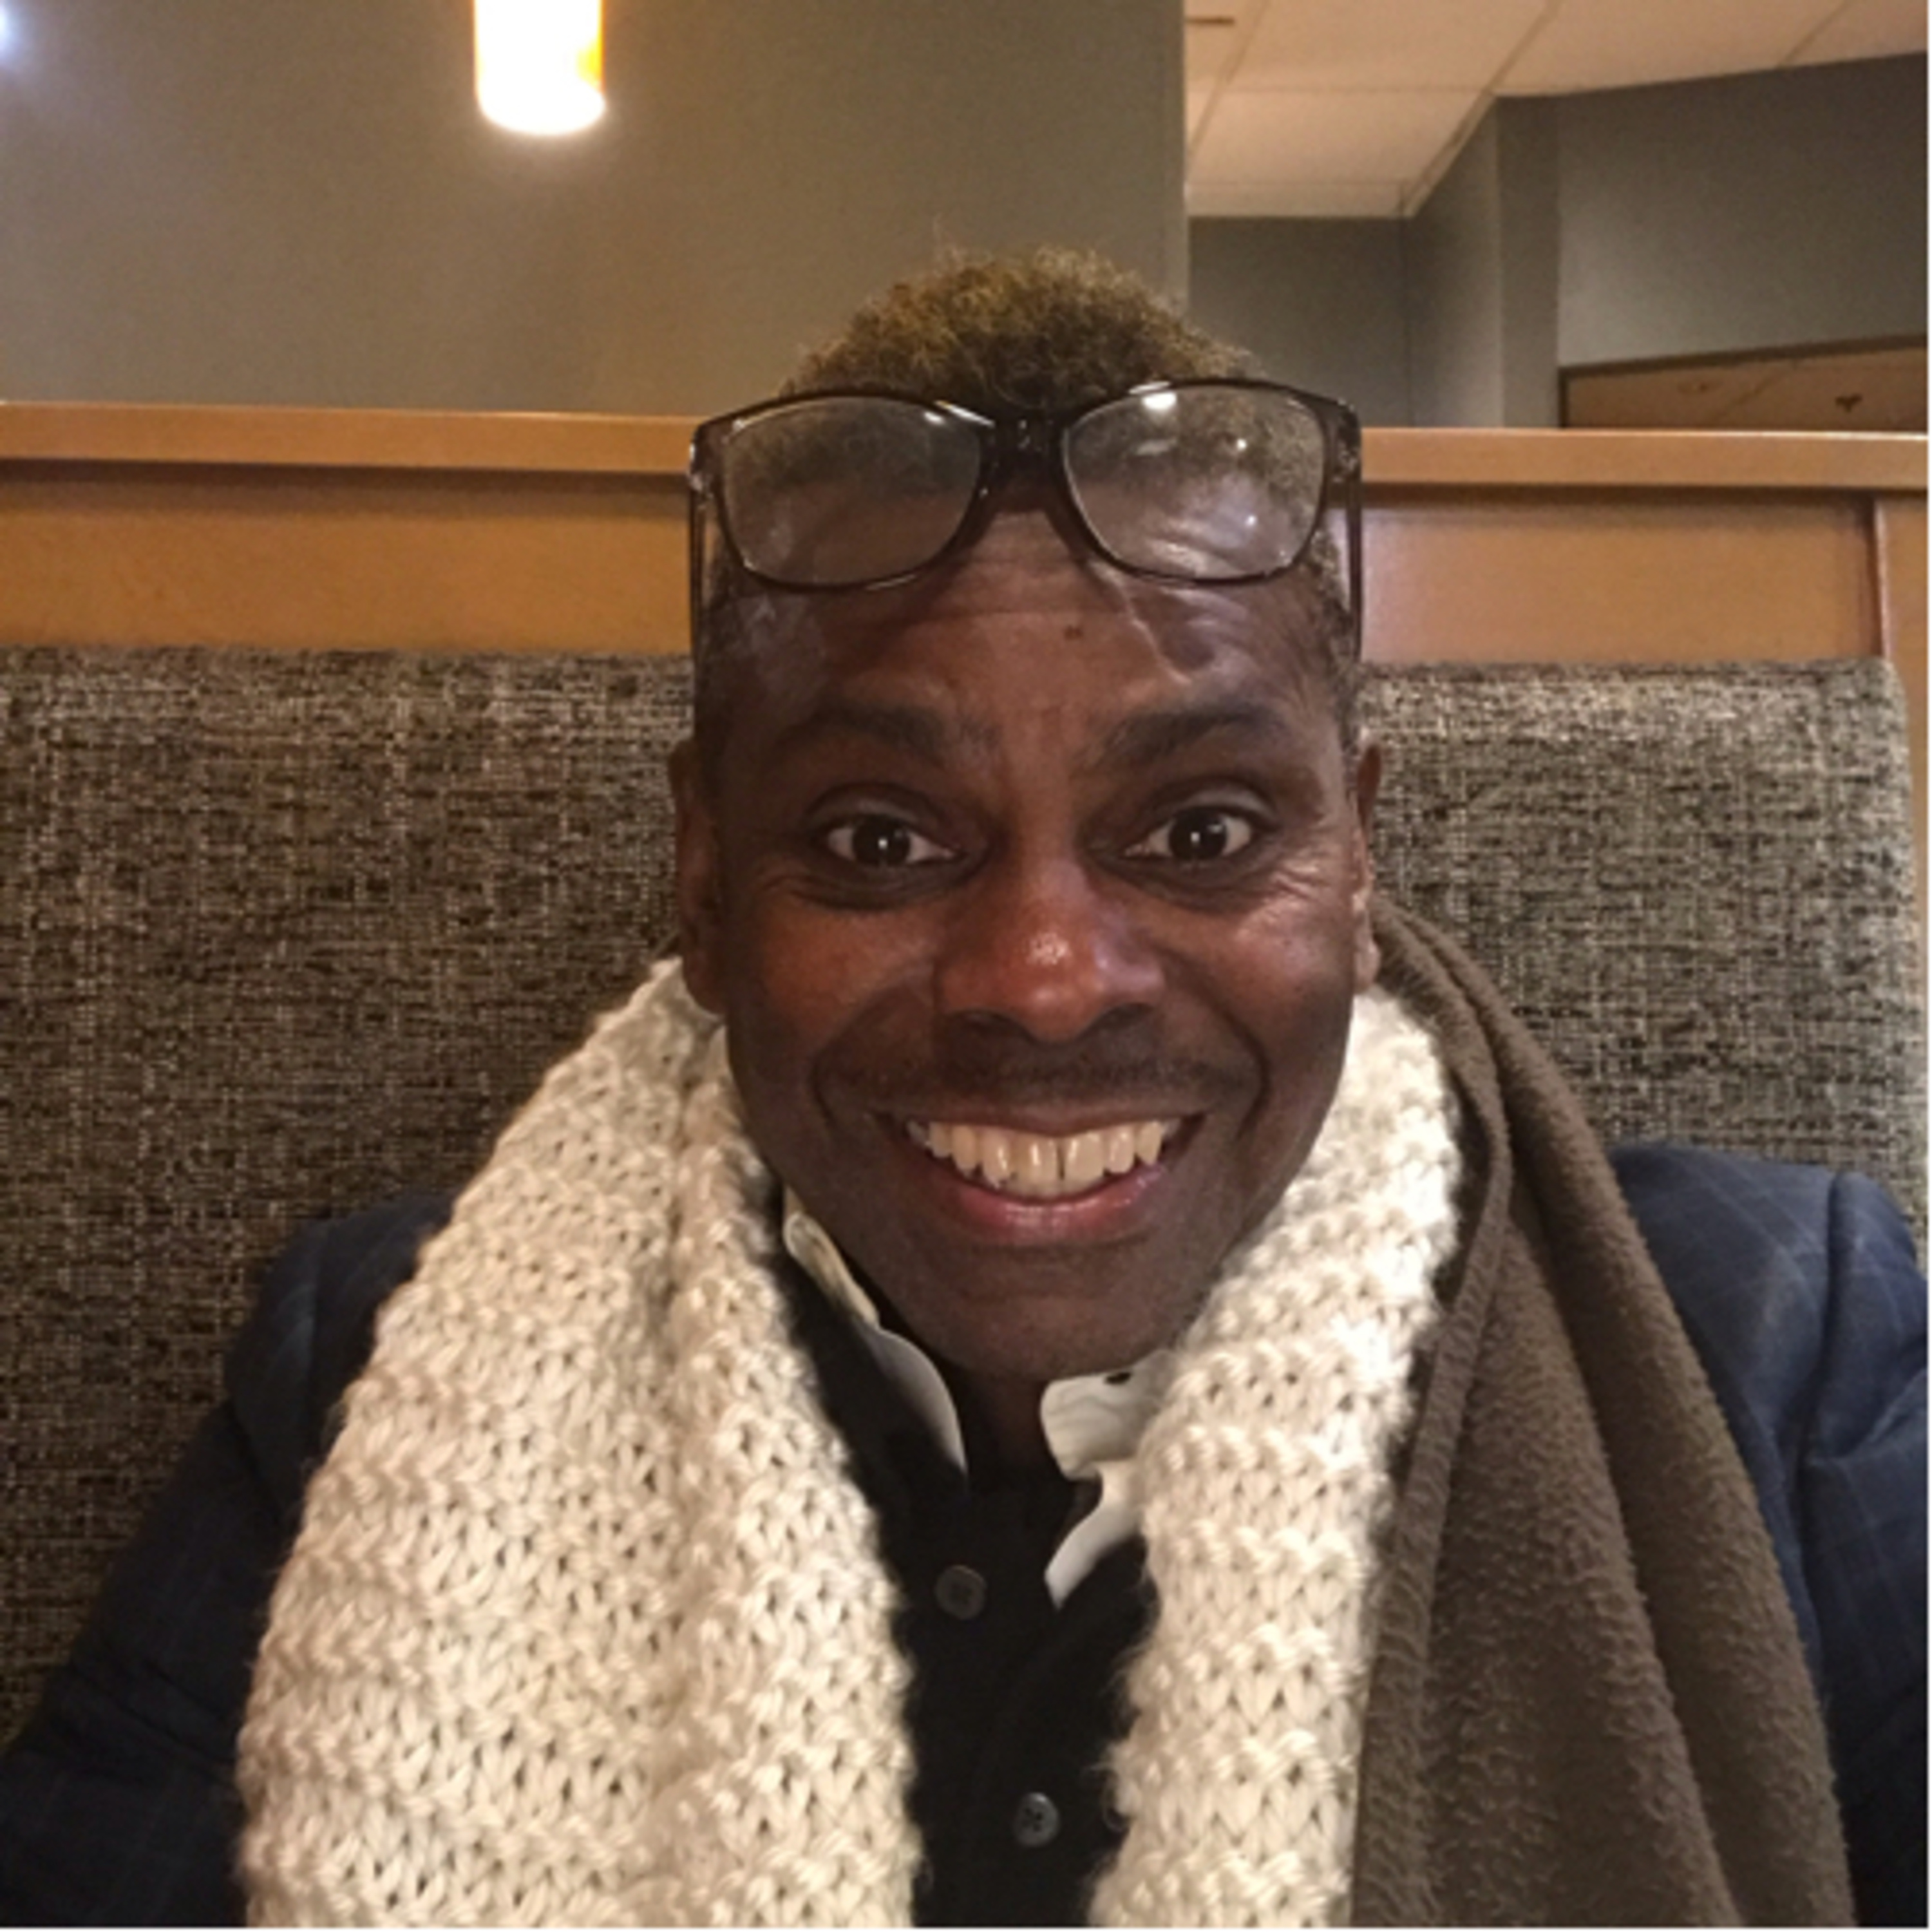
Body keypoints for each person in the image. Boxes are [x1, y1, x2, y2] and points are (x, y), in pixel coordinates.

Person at [0, 251, 1922, 1928]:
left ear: (1357, 863)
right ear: (704, 882)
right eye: (879, 839)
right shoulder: (368, 1374)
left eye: (1201, 829)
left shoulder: (1771, 1348)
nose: (1042, 983)